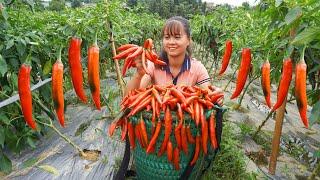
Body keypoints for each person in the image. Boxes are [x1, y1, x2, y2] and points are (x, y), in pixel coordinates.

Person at [125, 16, 223, 105]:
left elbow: (209, 95)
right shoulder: (153, 65)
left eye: (177, 37)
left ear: (188, 40)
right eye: (167, 37)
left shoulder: (197, 68)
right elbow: (130, 97)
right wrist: (139, 74)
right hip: (159, 119)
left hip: (184, 120)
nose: (171, 42)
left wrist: (217, 95)